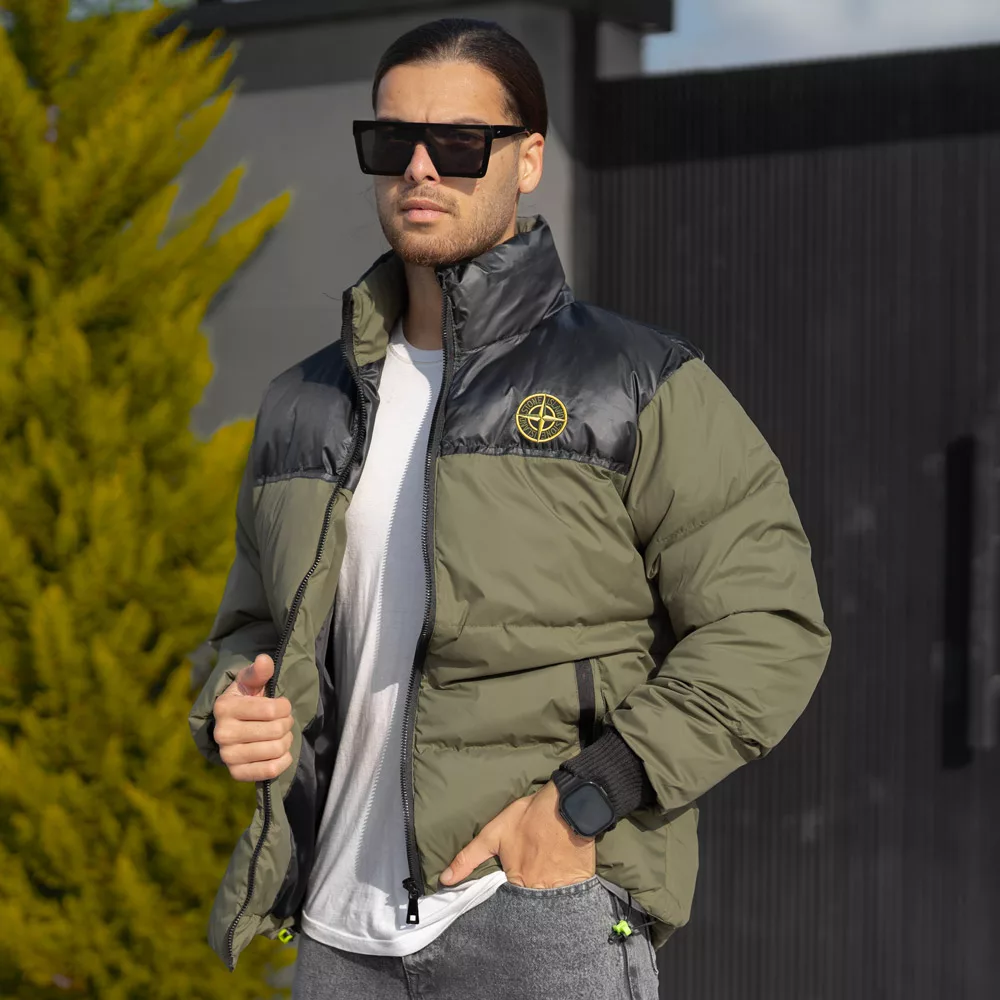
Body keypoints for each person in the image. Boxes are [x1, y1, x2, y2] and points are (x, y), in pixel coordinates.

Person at [188, 17, 831, 1000]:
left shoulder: (636, 382)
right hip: (335, 932)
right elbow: (253, 630)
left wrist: (583, 803)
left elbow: (769, 625)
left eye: (458, 142)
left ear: (528, 158)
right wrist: (236, 702)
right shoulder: (302, 403)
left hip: (533, 912)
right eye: (392, 140)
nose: (418, 168)